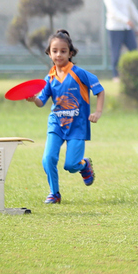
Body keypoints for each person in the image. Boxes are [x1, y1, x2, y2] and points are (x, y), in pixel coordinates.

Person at [26, 29, 105, 205]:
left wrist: (97, 112)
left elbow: (99, 90)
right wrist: (33, 99)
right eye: (54, 51)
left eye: (63, 51)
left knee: (70, 165)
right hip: (56, 124)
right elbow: (41, 102)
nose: (59, 54)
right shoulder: (50, 77)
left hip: (77, 126)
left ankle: (84, 165)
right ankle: (54, 193)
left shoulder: (79, 73)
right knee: (48, 159)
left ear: (70, 53)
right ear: (49, 53)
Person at [103, 0, 138, 80]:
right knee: (116, 52)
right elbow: (113, 11)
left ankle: (135, 73)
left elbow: (131, 7)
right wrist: (126, 20)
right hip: (115, 28)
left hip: (127, 28)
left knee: (134, 49)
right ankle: (115, 76)